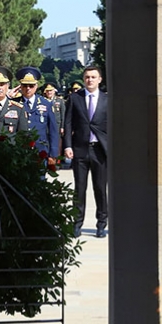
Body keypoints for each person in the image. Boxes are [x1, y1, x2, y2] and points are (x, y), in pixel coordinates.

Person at [62, 65, 109, 238]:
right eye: (87, 77)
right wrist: (67, 146)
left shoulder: (107, 99)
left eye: (93, 77)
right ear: (84, 79)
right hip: (80, 150)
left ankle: (101, 224)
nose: (90, 80)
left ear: (100, 79)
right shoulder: (75, 98)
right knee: (79, 189)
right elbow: (68, 124)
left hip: (99, 151)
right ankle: (77, 224)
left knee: (100, 189)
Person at [11, 67, 60, 171]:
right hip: (19, 150)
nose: (28, 88)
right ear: (20, 86)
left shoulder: (46, 104)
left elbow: (53, 130)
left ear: (36, 86)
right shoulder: (13, 103)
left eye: (31, 85)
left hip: (40, 150)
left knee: (40, 178)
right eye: (25, 85)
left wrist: (53, 153)